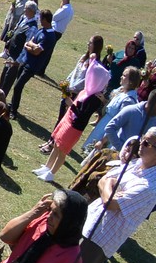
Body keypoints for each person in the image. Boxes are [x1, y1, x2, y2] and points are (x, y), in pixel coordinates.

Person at [79, 128, 156, 263]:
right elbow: (103, 178)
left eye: (147, 143)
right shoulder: (137, 163)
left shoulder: (150, 187)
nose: (140, 144)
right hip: (89, 219)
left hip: (98, 239)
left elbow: (110, 203)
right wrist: (110, 185)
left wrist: (109, 184)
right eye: (142, 139)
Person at [36, 52, 110, 183]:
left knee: (63, 149)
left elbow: (83, 115)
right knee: (57, 144)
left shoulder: (95, 98)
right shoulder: (87, 91)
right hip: (68, 120)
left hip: (75, 126)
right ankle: (47, 167)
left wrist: (71, 104)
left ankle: (51, 173)